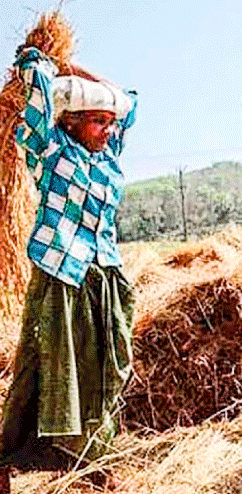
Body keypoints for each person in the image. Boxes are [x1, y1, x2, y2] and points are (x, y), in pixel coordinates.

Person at [0, 46, 137, 491]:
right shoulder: (52, 148)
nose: (107, 129)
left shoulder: (109, 153)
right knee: (55, 364)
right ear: (72, 120)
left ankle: (95, 447)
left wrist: (82, 72)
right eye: (98, 121)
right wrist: (48, 61)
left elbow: (128, 103)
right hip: (61, 270)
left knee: (109, 361)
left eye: (108, 121)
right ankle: (42, 452)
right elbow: (36, 80)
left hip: (104, 271)